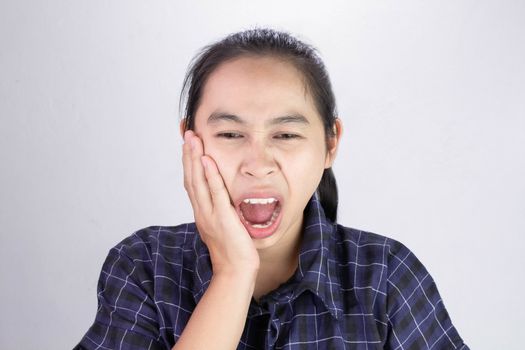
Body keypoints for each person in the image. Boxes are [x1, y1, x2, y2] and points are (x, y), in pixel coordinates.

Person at [75, 28, 469, 349]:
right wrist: (233, 273)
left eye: (285, 134)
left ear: (331, 143)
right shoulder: (144, 266)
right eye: (230, 133)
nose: (258, 164)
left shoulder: (386, 276)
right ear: (190, 140)